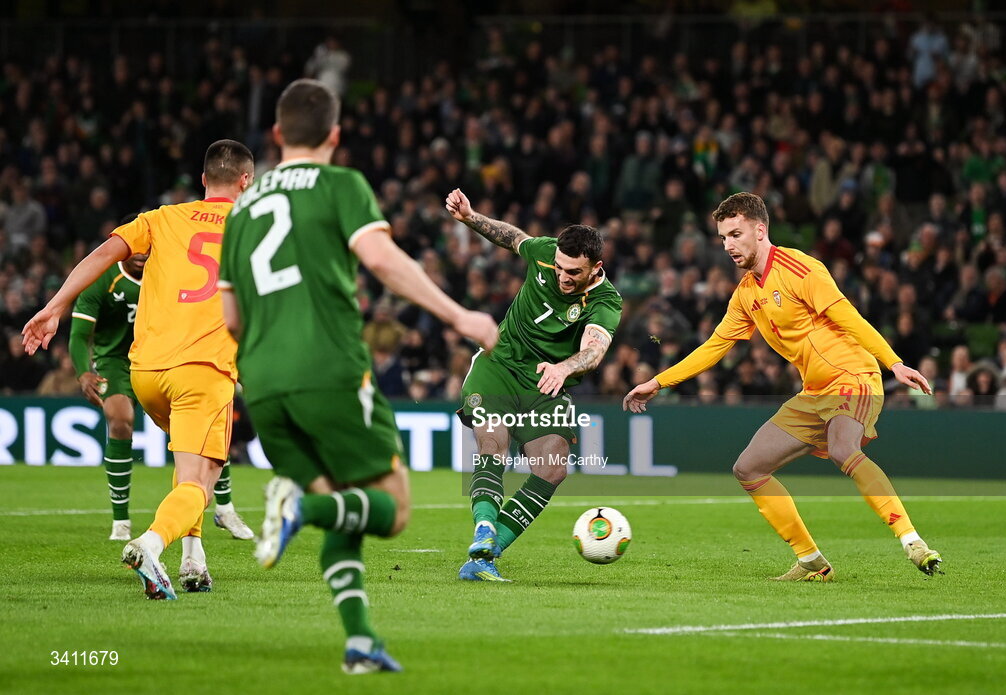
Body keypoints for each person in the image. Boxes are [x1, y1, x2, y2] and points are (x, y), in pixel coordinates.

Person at [218, 78, 498, 675]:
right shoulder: (340, 184)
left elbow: (230, 316)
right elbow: (379, 258)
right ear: (336, 135)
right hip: (330, 372)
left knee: (344, 503)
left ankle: (360, 641)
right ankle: (297, 510)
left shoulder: (241, 205)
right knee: (392, 509)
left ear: (275, 134)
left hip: (261, 385)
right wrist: (459, 314)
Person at [624, 192, 942, 581]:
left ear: (760, 230)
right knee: (748, 468)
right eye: (723, 237)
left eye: (735, 234)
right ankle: (812, 561)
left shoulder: (801, 269)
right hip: (814, 392)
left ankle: (912, 541)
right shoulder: (745, 294)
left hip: (854, 376)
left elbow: (850, 317)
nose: (728, 245)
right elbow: (713, 347)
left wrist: (893, 363)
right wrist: (657, 382)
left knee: (844, 448)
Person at [24, 139, 257, 600]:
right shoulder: (256, 227)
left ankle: (194, 562)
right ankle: (150, 543)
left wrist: (53, 308)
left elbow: (100, 256)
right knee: (201, 481)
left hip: (146, 374)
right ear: (246, 181)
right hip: (203, 369)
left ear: (204, 178)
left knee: (189, 466)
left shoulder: (162, 217)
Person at [445, 187, 622, 582]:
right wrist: (472, 218)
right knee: (494, 443)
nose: (562, 276)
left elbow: (595, 350)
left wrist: (563, 368)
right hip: (499, 364)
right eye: (559, 267)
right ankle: (484, 528)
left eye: (573, 271)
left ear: (596, 267)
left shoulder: (606, 301)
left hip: (547, 382)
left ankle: (485, 558)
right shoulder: (546, 253)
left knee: (552, 468)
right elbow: (513, 237)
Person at [68, 212, 253, 542]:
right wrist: (84, 370)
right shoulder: (104, 279)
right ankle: (121, 520)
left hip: (165, 355)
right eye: (134, 248)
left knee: (202, 428)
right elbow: (81, 333)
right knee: (121, 418)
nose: (140, 253)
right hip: (117, 361)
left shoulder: (170, 269)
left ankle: (223, 507)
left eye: (144, 248)